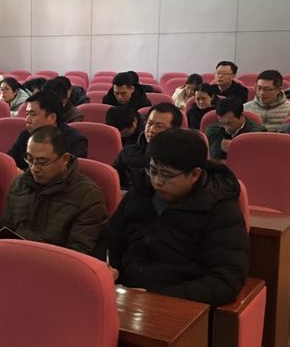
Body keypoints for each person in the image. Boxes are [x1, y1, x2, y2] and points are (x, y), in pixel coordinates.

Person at [103, 129, 248, 306]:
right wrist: (111, 268)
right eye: (152, 170)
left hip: (178, 302)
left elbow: (226, 280)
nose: (157, 181)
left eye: (167, 175)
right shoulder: (140, 192)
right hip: (125, 294)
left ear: (194, 174)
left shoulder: (220, 210)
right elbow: (111, 240)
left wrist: (156, 296)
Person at [0, 125, 108, 255]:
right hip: (14, 258)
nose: (34, 168)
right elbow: (4, 228)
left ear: (65, 159)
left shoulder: (88, 196)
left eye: (42, 162)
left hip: (56, 266)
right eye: (30, 159)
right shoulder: (20, 184)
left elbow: (78, 254)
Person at [8, 90, 87, 170]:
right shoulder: (25, 135)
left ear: (52, 118)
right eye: (27, 114)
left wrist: (22, 174)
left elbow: (68, 174)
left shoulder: (76, 141)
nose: (27, 120)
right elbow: (8, 162)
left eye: (32, 114)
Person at [113, 103, 182, 189]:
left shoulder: (180, 158)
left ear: (174, 130)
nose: (152, 130)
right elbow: (113, 180)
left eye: (159, 126)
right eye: (149, 123)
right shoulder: (129, 151)